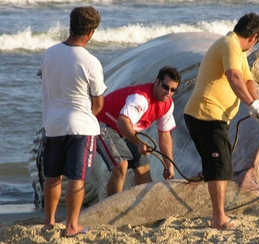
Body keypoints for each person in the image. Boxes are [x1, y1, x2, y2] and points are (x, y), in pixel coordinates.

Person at [183, 12, 259, 230]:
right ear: (254, 37)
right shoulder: (229, 44)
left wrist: (256, 105)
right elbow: (234, 77)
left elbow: (247, 81)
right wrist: (250, 104)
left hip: (215, 117)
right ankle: (218, 218)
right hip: (206, 114)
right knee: (218, 167)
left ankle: (218, 216)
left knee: (223, 166)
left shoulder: (238, 52)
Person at [40, 6, 107, 237]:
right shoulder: (90, 62)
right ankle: (71, 226)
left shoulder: (49, 53)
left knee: (52, 177)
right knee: (77, 179)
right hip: (81, 127)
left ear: (71, 26)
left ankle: (49, 223)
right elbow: (98, 104)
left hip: (53, 124)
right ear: (90, 32)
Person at [96, 66, 181, 196]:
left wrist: (169, 164)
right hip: (102, 124)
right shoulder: (140, 98)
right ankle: (112, 210)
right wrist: (139, 143)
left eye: (173, 90)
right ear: (157, 82)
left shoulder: (168, 104)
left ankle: (147, 212)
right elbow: (122, 122)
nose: (168, 93)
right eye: (165, 87)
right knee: (121, 166)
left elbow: (164, 135)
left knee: (143, 168)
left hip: (125, 130)